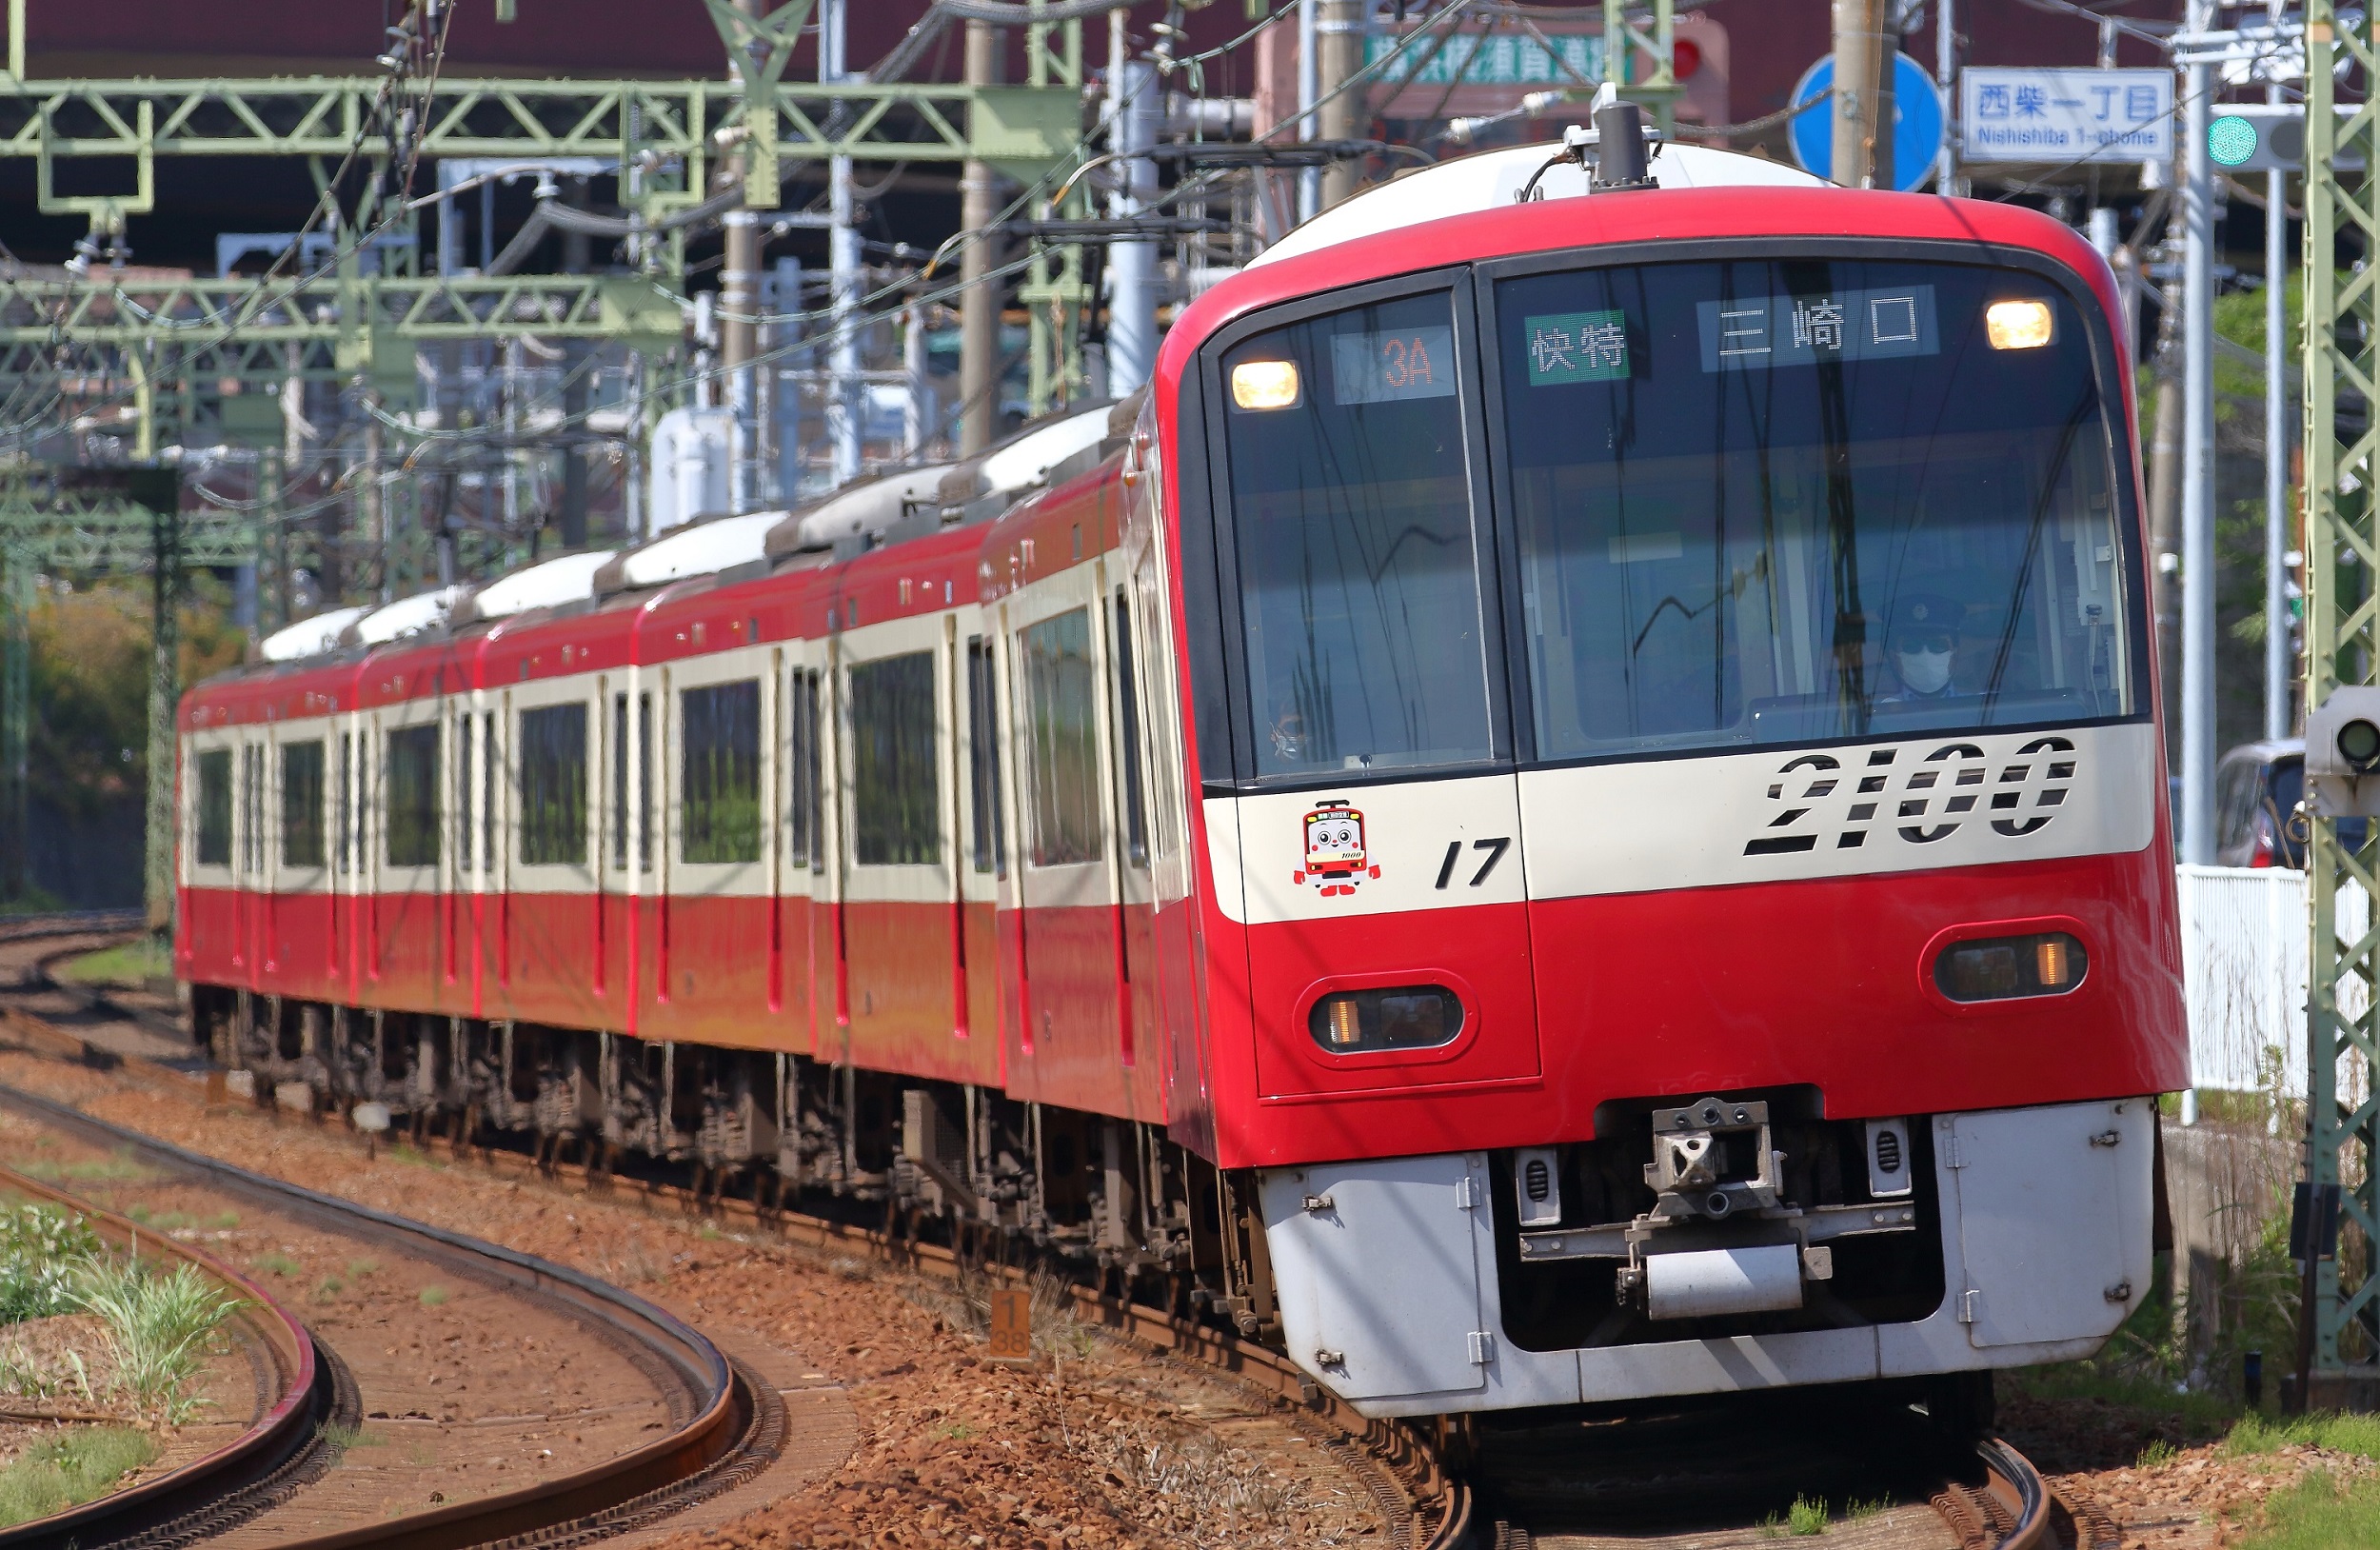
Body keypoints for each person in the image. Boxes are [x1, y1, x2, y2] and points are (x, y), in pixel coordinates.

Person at [1878, 593, 1968, 702]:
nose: (1925, 655)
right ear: (1894, 657)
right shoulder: (1876, 715)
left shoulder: (1980, 708)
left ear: (1955, 654)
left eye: (1938, 645)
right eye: (1912, 646)